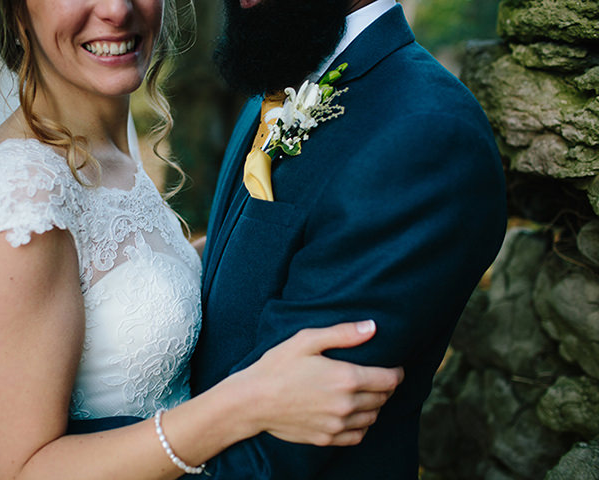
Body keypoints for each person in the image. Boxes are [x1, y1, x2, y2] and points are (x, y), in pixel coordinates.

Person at [0, 0, 404, 477]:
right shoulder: (22, 192)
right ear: (15, 12)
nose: (116, 9)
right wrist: (246, 403)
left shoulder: (102, 155)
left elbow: (126, 276)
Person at [66, 0, 508, 478]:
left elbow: (266, 457)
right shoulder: (278, 84)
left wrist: (48, 450)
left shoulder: (425, 136)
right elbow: (239, 273)